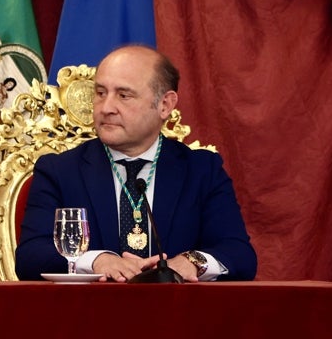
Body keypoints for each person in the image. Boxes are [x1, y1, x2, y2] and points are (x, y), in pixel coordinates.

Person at [15, 45, 256, 282]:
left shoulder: (202, 170)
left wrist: (193, 261)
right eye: (100, 93)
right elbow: (30, 256)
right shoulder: (60, 171)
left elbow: (240, 255)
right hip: (90, 316)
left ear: (165, 105)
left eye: (124, 95)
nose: (106, 108)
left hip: (177, 316)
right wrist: (95, 260)